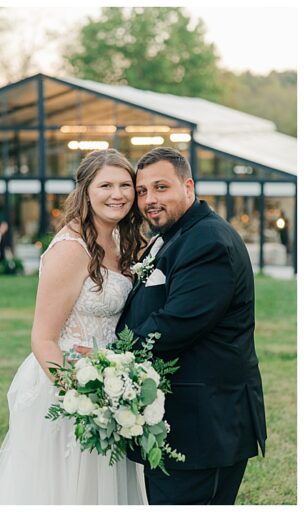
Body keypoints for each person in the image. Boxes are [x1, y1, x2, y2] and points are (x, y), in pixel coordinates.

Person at [0, 149, 148, 504]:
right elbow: (43, 338)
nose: (117, 194)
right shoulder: (72, 249)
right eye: (105, 185)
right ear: (86, 191)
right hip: (68, 384)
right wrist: (79, 395)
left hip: (110, 382)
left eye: (125, 185)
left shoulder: (120, 240)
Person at [118, 147, 266, 504]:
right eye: (142, 191)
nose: (150, 199)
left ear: (188, 186)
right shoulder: (172, 236)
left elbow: (175, 324)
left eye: (161, 187)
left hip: (205, 427)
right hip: (184, 423)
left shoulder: (208, 241)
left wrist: (110, 357)